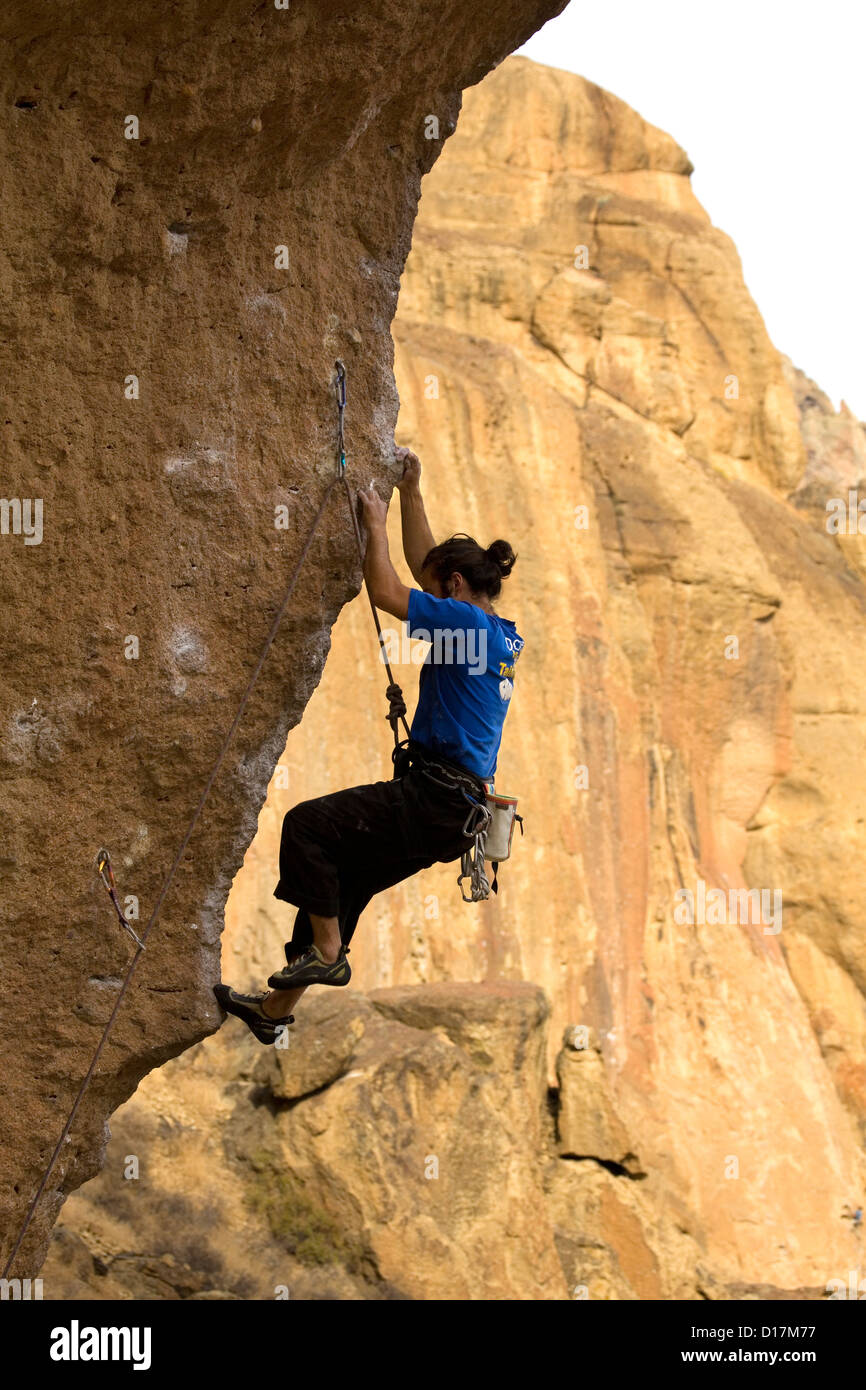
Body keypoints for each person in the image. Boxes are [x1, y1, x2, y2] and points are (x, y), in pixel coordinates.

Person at [214, 447, 524, 1043]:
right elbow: (419, 567)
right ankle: (274, 1011)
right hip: (452, 811)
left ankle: (328, 955)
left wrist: (374, 524)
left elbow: (387, 588)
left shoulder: (463, 625)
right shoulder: (499, 635)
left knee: (307, 828)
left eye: (438, 588)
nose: (429, 593)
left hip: (433, 799)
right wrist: (412, 490)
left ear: (455, 586)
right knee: (342, 884)